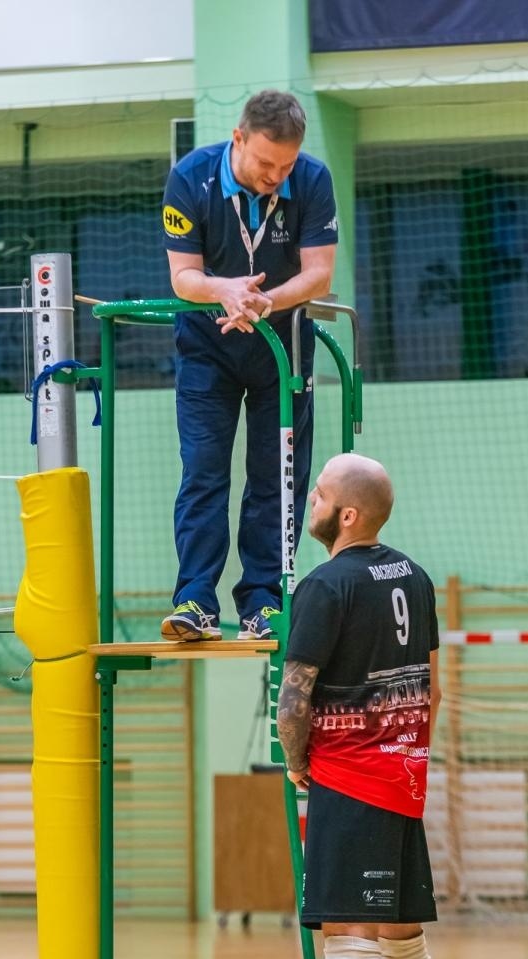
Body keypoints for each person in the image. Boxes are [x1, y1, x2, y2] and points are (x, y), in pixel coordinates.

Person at [275, 453, 446, 959]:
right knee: (405, 946)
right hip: (404, 781)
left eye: (317, 494)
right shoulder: (415, 575)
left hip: (350, 783)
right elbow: (434, 687)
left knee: (348, 944)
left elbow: (295, 697)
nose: (309, 503)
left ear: (346, 513)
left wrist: (294, 759)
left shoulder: (324, 586)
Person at [159, 90, 338, 642]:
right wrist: (225, 290)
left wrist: (264, 302)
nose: (276, 176)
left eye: (285, 165)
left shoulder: (311, 178)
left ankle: (264, 601)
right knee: (204, 470)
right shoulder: (191, 177)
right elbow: (183, 276)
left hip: (282, 343)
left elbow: (319, 275)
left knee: (277, 477)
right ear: (238, 139)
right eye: (265, 163)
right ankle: (195, 602)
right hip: (207, 346)